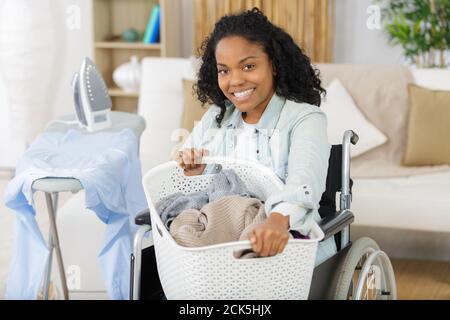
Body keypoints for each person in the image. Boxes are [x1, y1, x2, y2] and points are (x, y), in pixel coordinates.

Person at [141, 7, 334, 299]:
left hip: (281, 244)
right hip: (216, 250)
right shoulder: (218, 116)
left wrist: (278, 220)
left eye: (248, 66)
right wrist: (193, 169)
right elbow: (187, 173)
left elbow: (303, 182)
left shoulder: (305, 119)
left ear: (275, 65)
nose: (235, 81)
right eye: (224, 70)